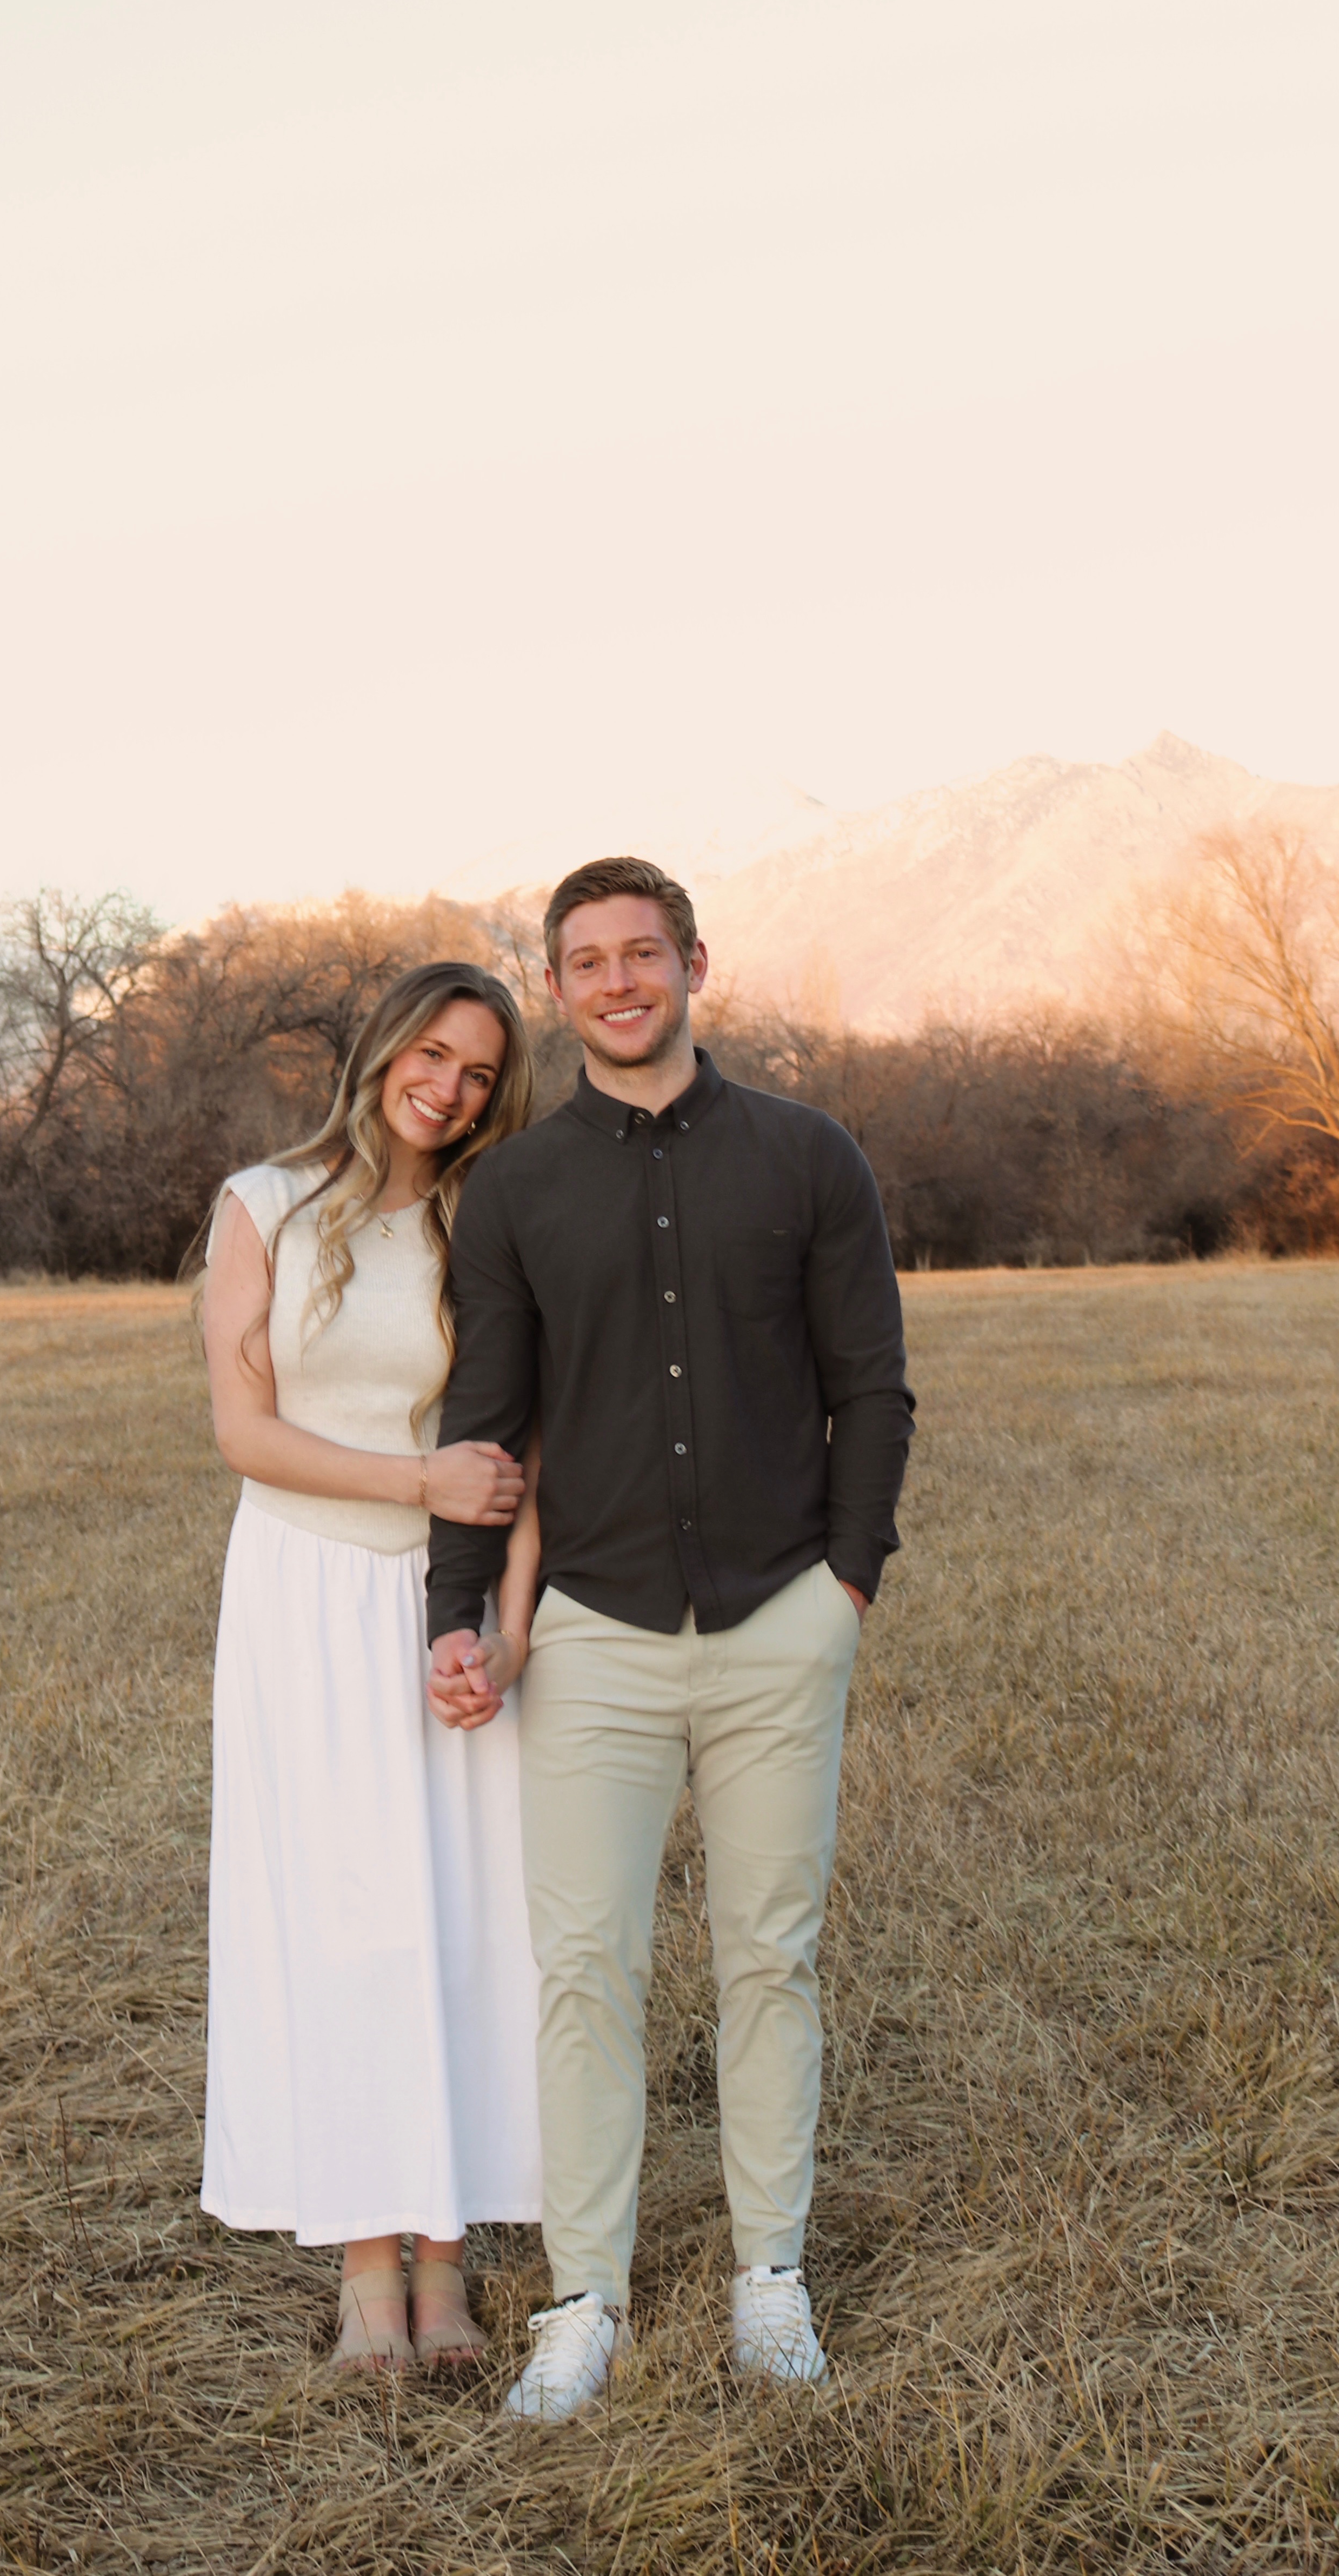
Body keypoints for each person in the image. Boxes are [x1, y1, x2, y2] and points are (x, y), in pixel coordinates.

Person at [427, 859, 915, 2421]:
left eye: (645, 953)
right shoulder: (512, 1191)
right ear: (557, 986)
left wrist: (844, 1586)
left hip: (781, 1617)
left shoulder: (807, 1154)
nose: (620, 981)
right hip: (593, 1637)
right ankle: (584, 2299)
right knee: (586, 1969)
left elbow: (874, 1389)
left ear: (694, 963)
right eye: (588, 961)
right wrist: (458, 1616)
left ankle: (770, 2277)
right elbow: (484, 1421)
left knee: (770, 1957)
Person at [199, 961, 544, 2371]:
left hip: (446, 1596)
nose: (449, 1087)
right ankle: (361, 2265)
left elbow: (529, 1462)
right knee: (337, 1913)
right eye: (434, 1052)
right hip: (302, 1588)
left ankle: (448, 2259)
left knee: (464, 1913)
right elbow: (246, 1431)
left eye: (478, 1073)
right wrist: (415, 1483)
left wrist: (508, 1635)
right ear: (386, 1043)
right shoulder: (261, 1205)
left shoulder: (493, 1225)